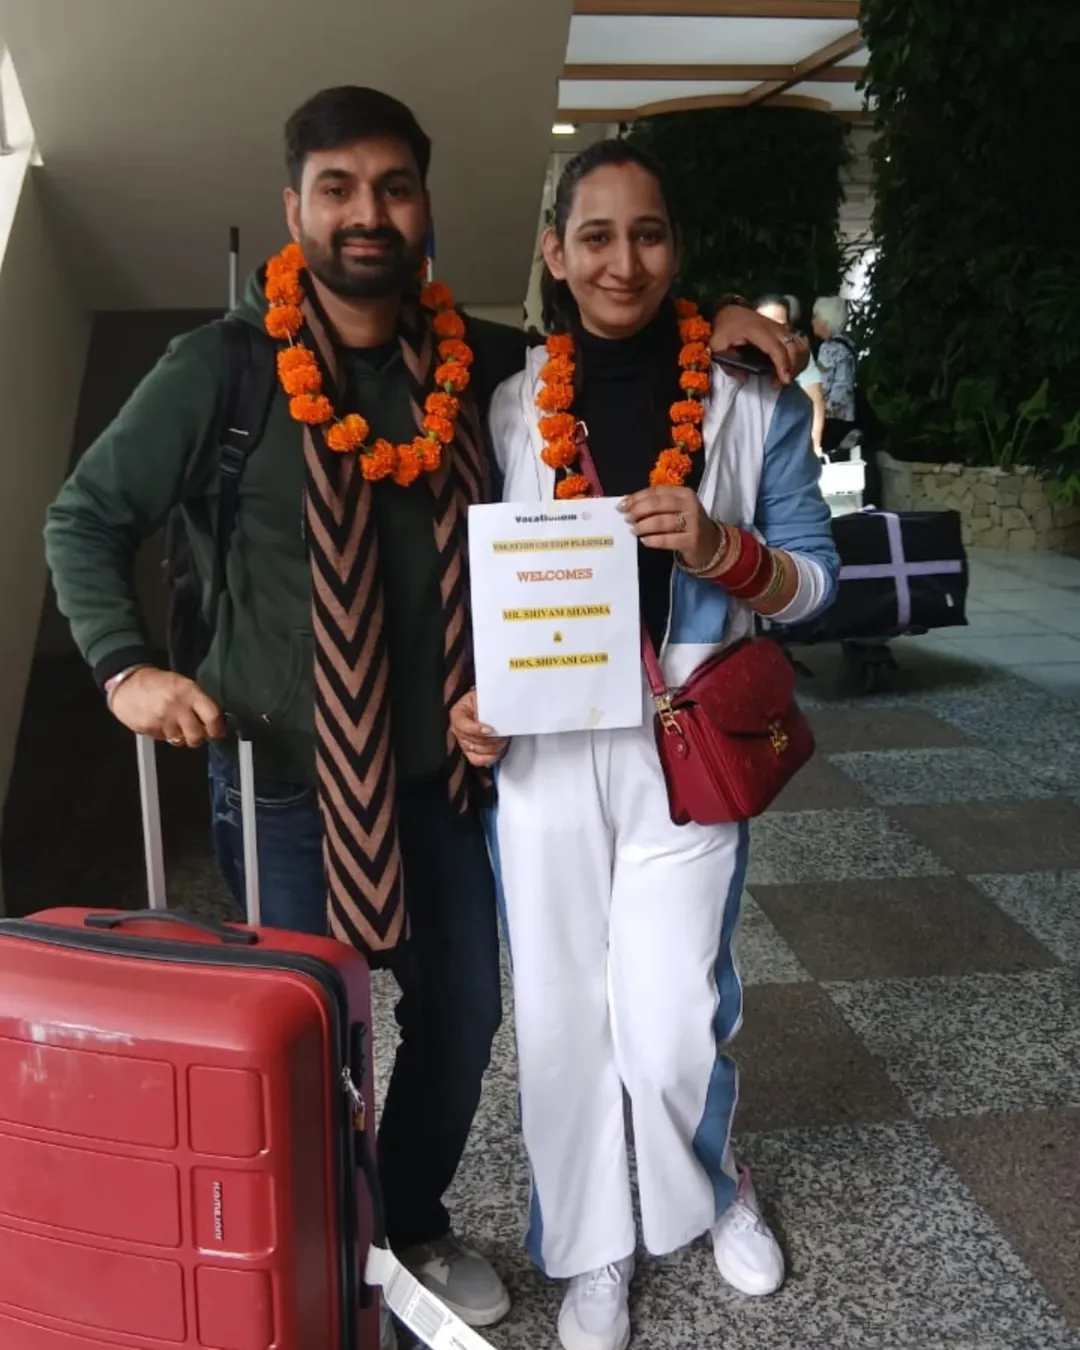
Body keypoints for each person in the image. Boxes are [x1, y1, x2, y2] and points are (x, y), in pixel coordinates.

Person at [44, 87, 810, 1347]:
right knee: (304, 1027)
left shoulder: (486, 362)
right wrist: (126, 667)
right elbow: (83, 519)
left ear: (427, 211)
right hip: (287, 771)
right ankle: (311, 1252)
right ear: (295, 209)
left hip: (451, 767)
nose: (367, 213)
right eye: (337, 190)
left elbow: (619, 334)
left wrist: (719, 321)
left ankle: (407, 1221)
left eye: (393, 188)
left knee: (462, 1022)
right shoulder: (223, 370)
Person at [452, 140, 839, 1350]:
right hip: (546, 745)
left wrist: (726, 550)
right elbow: (460, 577)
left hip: (685, 728)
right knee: (565, 1007)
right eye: (599, 236)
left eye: (651, 233)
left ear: (677, 248)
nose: (626, 260)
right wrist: (466, 699)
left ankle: (714, 1184)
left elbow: (823, 585)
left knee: (672, 1012)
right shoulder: (506, 399)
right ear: (557, 256)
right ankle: (592, 1245)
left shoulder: (749, 401)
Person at [756, 293, 826, 455]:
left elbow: (816, 400)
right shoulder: (736, 357)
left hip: (787, 448)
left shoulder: (799, 358)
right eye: (765, 324)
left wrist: (814, 448)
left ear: (789, 328)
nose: (772, 331)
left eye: (780, 325)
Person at [812, 295, 858, 450]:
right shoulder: (847, 344)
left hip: (830, 416)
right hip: (847, 415)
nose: (812, 321)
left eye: (815, 317)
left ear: (825, 321)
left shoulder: (828, 348)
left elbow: (821, 387)